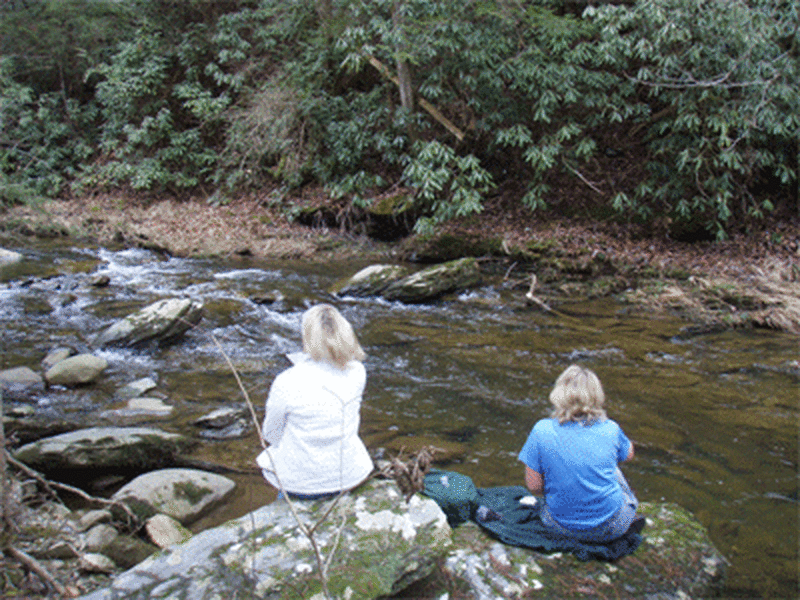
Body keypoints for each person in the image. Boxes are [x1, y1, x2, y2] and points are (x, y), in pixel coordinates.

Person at [256, 303, 373, 500]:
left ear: (307, 337)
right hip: (348, 475)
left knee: (274, 464)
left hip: (300, 485)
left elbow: (271, 434)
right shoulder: (358, 372)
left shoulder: (287, 380)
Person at [518, 364, 639, 542]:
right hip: (611, 527)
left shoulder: (541, 430)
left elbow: (534, 486)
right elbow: (628, 455)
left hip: (559, 526)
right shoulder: (610, 428)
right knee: (613, 470)